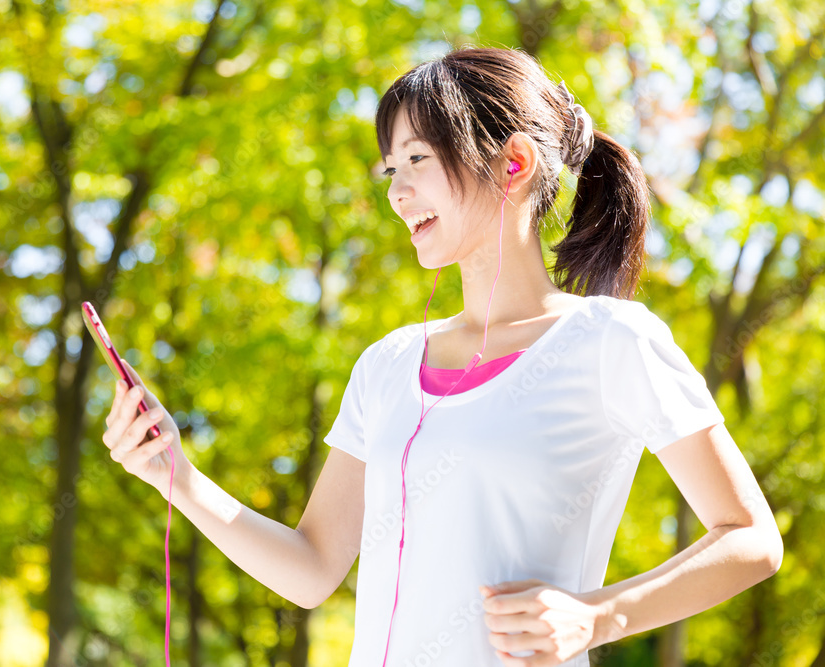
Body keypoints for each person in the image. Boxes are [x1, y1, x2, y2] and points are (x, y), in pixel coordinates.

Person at [101, 46, 782, 666]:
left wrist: (596, 616)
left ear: (512, 165)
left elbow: (750, 537)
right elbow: (312, 568)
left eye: (418, 160)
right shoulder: (386, 365)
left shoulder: (610, 342)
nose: (397, 193)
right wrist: (177, 477)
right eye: (390, 169)